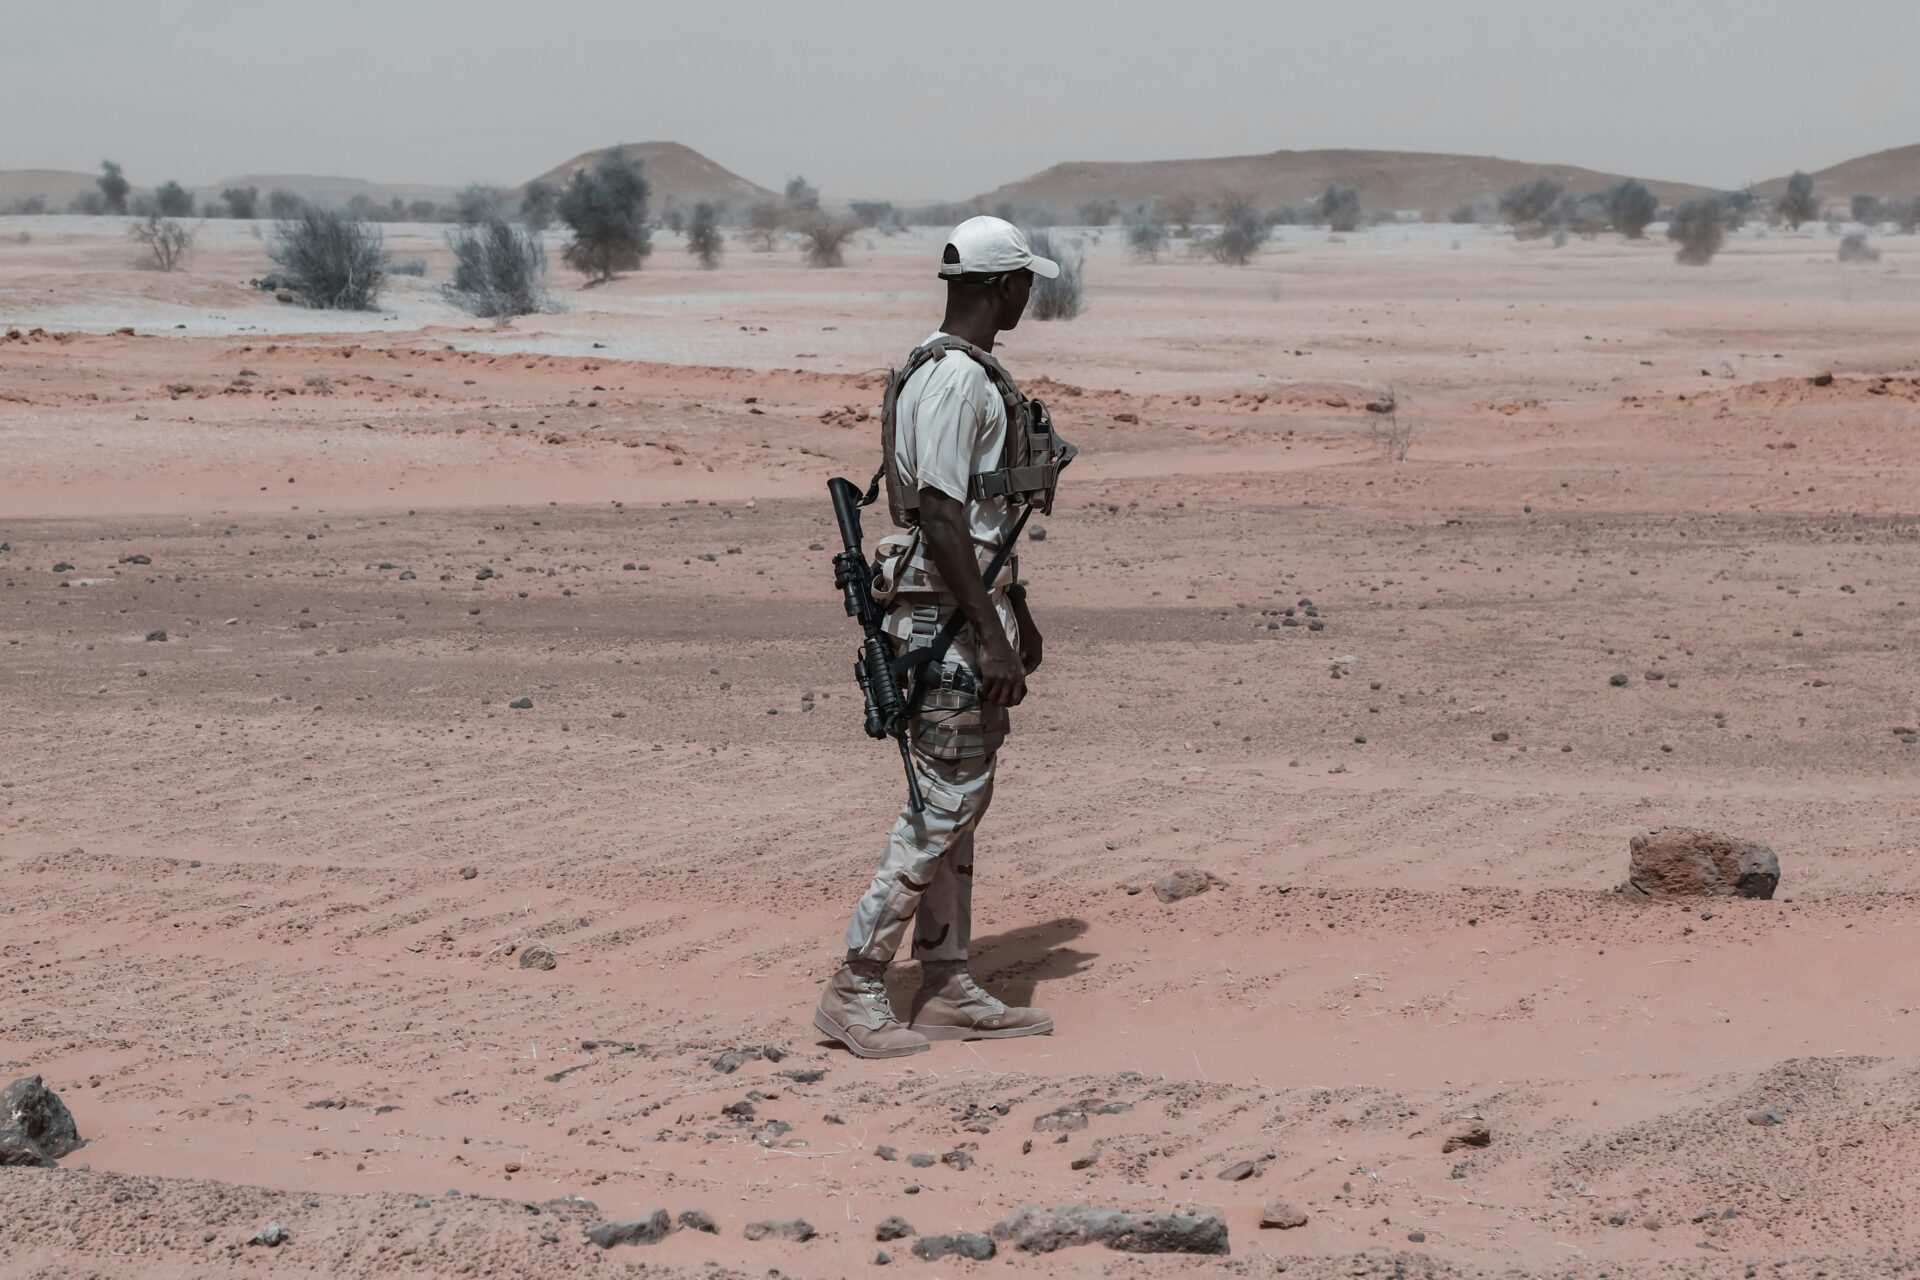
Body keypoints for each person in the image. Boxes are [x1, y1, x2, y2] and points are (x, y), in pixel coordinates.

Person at [814, 217, 1075, 1059]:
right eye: (1025, 283)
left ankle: (947, 980)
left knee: (960, 805)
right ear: (1003, 287)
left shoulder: (937, 369)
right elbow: (944, 515)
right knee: (942, 805)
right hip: (948, 623)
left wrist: (1014, 611)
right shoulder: (958, 380)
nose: (1029, 295)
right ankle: (856, 985)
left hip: (956, 608)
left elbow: (974, 520)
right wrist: (992, 639)